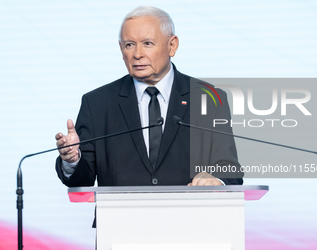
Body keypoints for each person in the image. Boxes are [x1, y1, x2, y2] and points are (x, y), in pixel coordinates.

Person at [55, 6, 243, 188]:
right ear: (121, 49)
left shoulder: (208, 98)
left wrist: (217, 180)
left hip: (190, 217)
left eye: (147, 43)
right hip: (120, 219)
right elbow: (81, 180)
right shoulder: (97, 103)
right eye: (129, 45)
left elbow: (229, 168)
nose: (137, 54)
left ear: (172, 45)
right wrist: (72, 160)